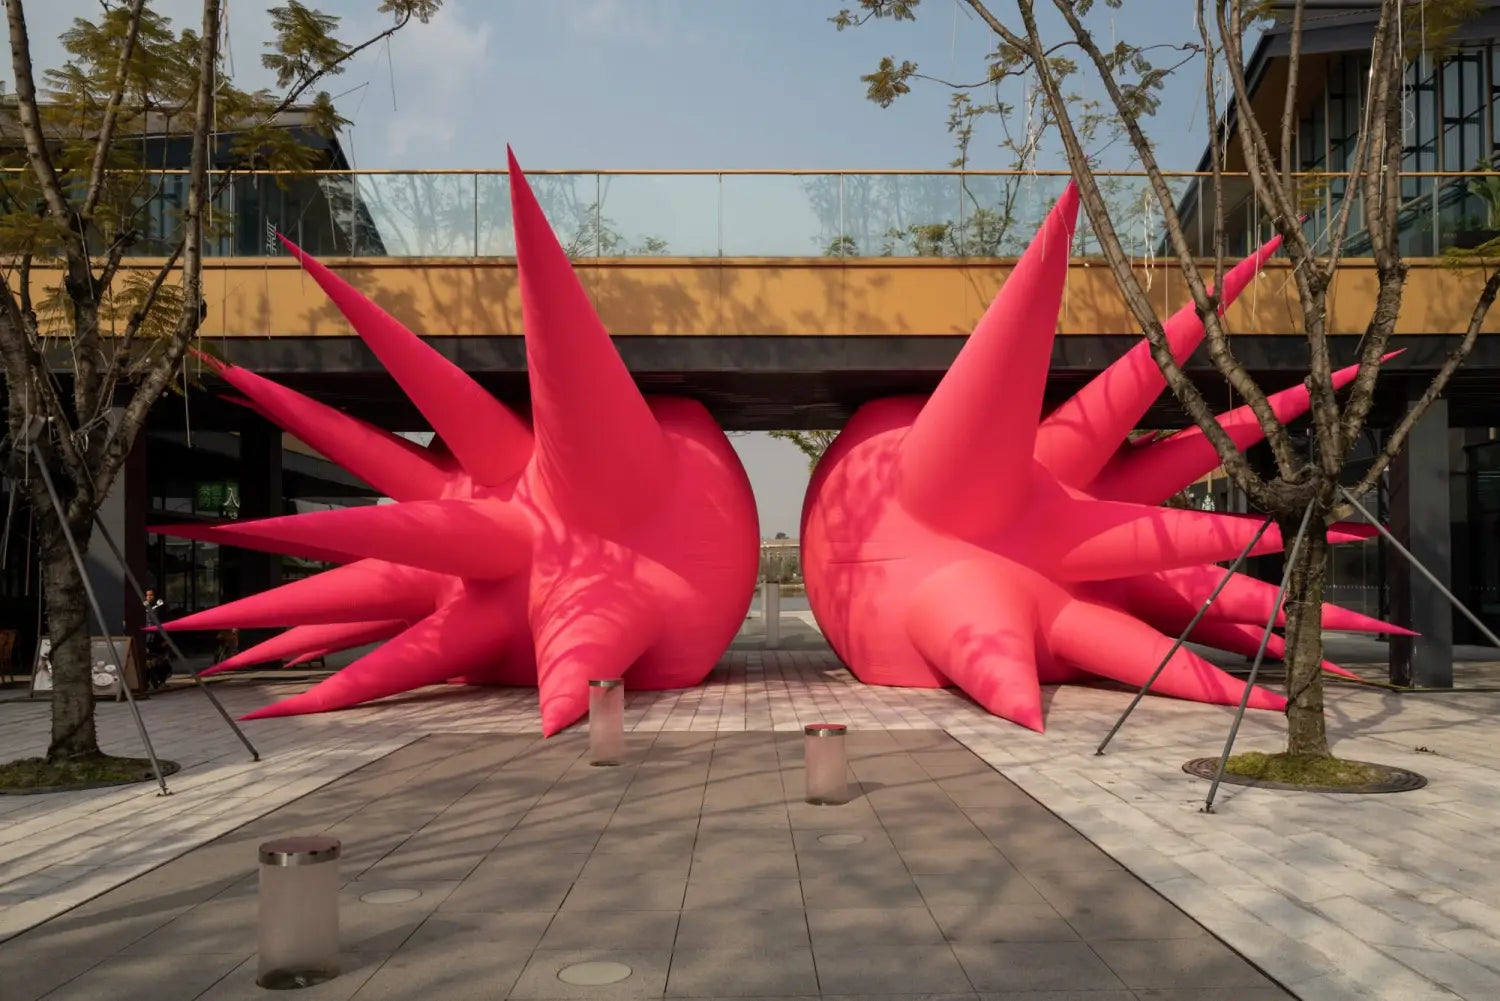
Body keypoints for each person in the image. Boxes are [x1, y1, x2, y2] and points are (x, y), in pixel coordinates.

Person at [141, 589, 172, 690]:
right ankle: (147, 681)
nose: (149, 597)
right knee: (148, 662)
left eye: (151, 595)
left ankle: (161, 681)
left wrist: (166, 639)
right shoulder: (143, 607)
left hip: (158, 638)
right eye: (147, 595)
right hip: (147, 638)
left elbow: (166, 624)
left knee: (161, 661)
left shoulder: (161, 608)